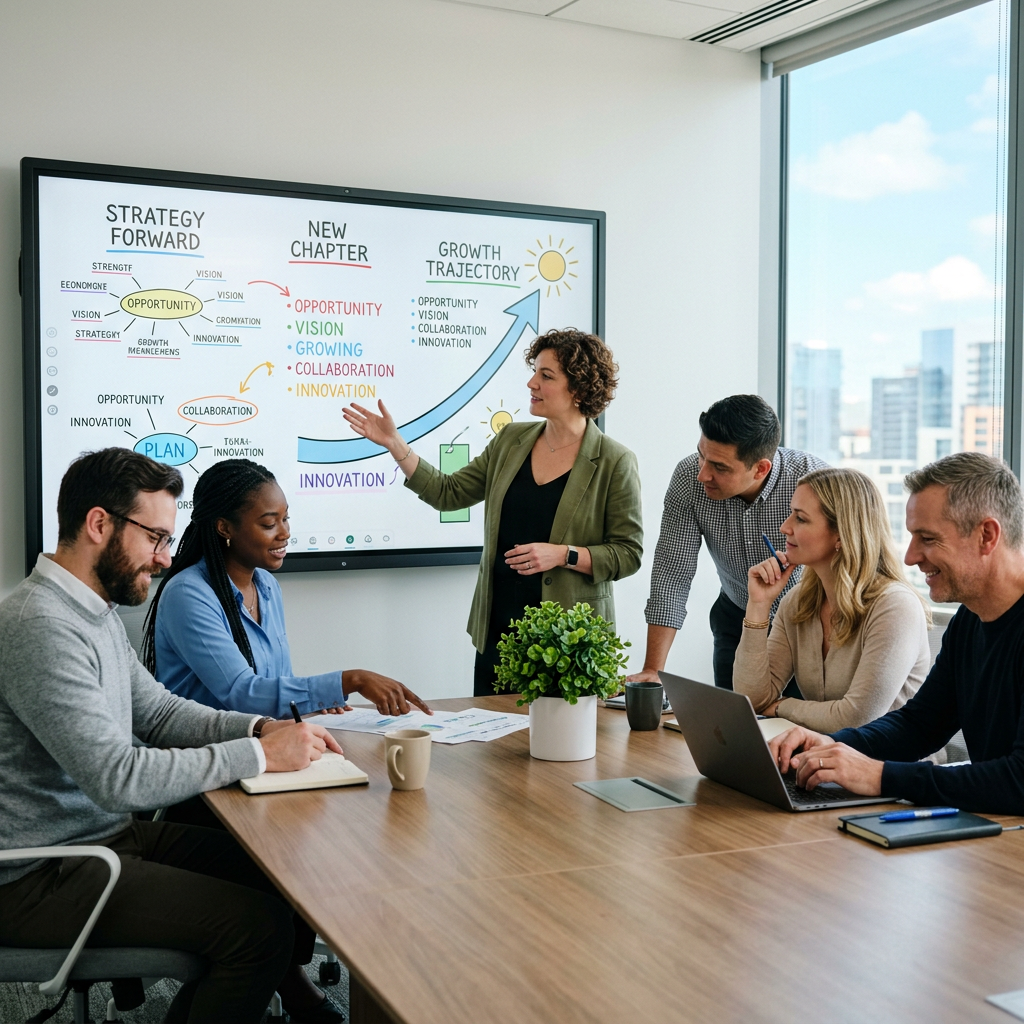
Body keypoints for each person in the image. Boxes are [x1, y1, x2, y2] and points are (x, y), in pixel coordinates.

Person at [0, 448, 346, 1024]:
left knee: (283, 875)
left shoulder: (91, 612)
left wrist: (262, 726)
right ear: (99, 524)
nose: (164, 559)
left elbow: (159, 714)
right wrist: (260, 753)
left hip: (103, 841)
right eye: (156, 539)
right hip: (41, 874)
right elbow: (118, 778)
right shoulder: (39, 625)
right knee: (257, 931)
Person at [343, 328, 643, 697]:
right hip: (499, 630)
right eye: (535, 370)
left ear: (579, 389)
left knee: (559, 752)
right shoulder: (511, 440)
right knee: (492, 749)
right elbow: (448, 493)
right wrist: (395, 443)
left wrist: (562, 554)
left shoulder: (615, 461)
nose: (532, 382)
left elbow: (628, 554)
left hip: (569, 643)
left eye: (546, 376)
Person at [771, 452, 1024, 815]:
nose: (910, 556)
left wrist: (879, 776)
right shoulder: (970, 620)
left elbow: (1019, 780)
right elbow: (920, 725)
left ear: (986, 535)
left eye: (927, 538)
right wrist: (829, 745)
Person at [144, 458, 430, 720]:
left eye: (285, 519)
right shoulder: (187, 594)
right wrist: (351, 680)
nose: (285, 532)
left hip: (263, 744)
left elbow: (276, 684)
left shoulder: (267, 585)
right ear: (225, 528)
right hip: (204, 756)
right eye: (269, 523)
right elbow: (243, 694)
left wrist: (315, 699)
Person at [628, 394, 827, 690]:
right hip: (736, 615)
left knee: (798, 727)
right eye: (701, 455)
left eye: (720, 467)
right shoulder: (688, 479)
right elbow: (672, 572)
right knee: (732, 724)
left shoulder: (812, 480)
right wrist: (653, 669)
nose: (702, 474)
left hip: (809, 622)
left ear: (760, 469)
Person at [733, 467, 929, 732]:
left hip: (890, 768)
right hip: (823, 760)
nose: (785, 527)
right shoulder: (798, 601)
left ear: (840, 534)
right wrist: (758, 605)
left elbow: (857, 719)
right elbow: (752, 700)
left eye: (800, 519)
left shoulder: (894, 606)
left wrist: (781, 706)